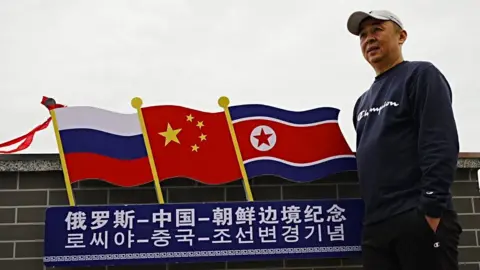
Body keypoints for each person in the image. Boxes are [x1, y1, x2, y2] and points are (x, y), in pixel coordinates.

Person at [347, 10, 462, 270]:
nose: (369, 39)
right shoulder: (362, 102)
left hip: (419, 219)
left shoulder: (421, 75)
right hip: (376, 227)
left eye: (377, 29)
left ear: (402, 36)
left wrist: (431, 212)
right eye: (363, 35)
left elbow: (440, 143)